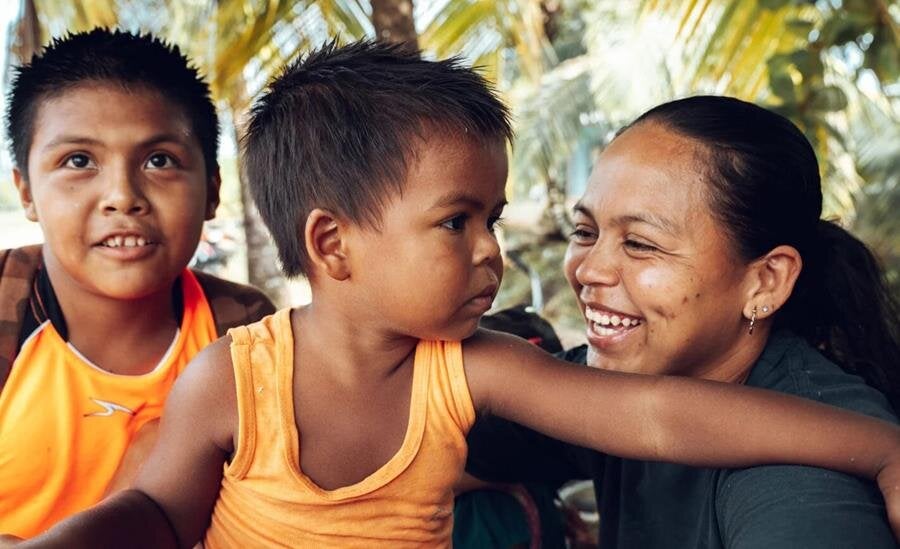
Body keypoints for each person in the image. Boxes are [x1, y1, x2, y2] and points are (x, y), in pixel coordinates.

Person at [17, 42, 900, 549]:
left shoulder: (477, 370)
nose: (492, 252)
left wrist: (880, 448)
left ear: (767, 280)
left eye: (494, 218)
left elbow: (660, 415)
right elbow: (156, 514)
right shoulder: (233, 377)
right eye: (456, 223)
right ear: (333, 244)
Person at [465, 95, 900, 548]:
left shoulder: (803, 484)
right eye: (585, 233)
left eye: (639, 243)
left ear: (765, 281)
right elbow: (428, 452)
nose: (589, 270)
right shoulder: (619, 388)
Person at [0, 28, 274, 539]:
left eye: (159, 160)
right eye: (78, 161)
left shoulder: (243, 329)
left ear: (212, 190)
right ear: (27, 192)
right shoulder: (4, 302)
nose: (122, 197)